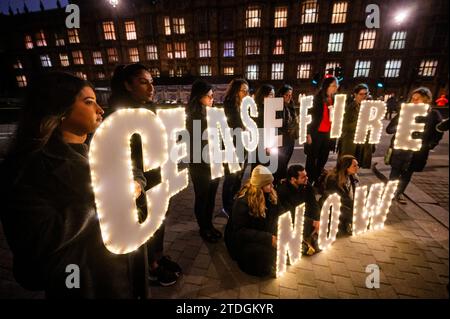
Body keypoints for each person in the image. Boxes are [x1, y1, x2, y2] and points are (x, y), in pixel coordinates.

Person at [0, 72, 144, 298]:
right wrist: (103, 202)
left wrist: (136, 184)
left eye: (97, 102)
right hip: (82, 281)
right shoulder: (27, 168)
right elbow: (37, 242)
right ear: (59, 110)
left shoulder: (103, 148)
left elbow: (135, 172)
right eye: (89, 102)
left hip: (127, 268)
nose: (100, 110)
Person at [109, 63, 181, 287]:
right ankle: (149, 268)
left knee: (159, 223)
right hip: (138, 182)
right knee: (145, 226)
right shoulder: (118, 116)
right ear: (127, 85)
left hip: (157, 175)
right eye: (143, 82)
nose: (151, 87)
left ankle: (156, 257)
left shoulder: (150, 110)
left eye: (152, 82)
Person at [387, 87, 443, 204]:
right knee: (395, 171)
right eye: (413, 99)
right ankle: (390, 192)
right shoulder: (405, 112)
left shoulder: (433, 115)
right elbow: (389, 129)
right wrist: (401, 127)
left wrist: (428, 145)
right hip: (400, 149)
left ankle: (399, 192)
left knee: (407, 173)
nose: (414, 101)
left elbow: (438, 133)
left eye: (417, 99)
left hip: (416, 151)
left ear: (427, 100)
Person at [224, 165, 280, 277]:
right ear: (260, 185)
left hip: (257, 232)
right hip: (240, 240)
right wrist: (268, 238)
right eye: (269, 184)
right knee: (265, 256)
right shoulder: (242, 202)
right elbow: (240, 232)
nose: (272, 186)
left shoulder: (268, 194)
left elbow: (276, 213)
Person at [186, 79, 222, 243]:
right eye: (209, 96)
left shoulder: (213, 114)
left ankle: (209, 225)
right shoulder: (192, 117)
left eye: (213, 96)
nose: (212, 99)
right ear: (199, 97)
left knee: (212, 197)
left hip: (214, 162)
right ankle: (203, 228)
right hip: (200, 164)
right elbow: (193, 144)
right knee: (203, 197)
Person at [276, 165, 321, 255]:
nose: (307, 178)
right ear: (293, 179)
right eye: (303, 177)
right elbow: (290, 213)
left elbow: (313, 203)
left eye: (306, 175)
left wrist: (317, 219)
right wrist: (311, 222)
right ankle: (302, 243)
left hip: (305, 217)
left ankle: (313, 238)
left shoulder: (306, 186)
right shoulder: (283, 191)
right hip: (292, 221)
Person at [222, 79, 249, 216]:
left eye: (247, 90)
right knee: (231, 176)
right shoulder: (229, 105)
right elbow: (235, 124)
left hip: (243, 144)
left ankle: (234, 199)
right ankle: (226, 206)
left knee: (239, 175)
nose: (246, 93)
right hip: (231, 145)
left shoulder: (245, 105)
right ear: (235, 91)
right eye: (243, 90)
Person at [305, 77, 339, 185]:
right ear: (327, 86)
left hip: (328, 134)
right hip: (316, 133)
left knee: (323, 158)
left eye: (336, 85)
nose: (335, 87)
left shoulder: (335, 100)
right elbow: (309, 117)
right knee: (312, 158)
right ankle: (309, 180)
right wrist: (308, 133)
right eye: (333, 85)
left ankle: (318, 178)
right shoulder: (317, 99)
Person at [321, 155, 359, 236]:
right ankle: (346, 223)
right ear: (346, 167)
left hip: (347, 204)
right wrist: (354, 204)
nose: (357, 167)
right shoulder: (333, 179)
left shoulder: (352, 177)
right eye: (354, 166)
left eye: (357, 165)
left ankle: (349, 223)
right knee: (356, 212)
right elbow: (338, 198)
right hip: (334, 206)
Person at [339, 83, 374, 168]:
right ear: (355, 95)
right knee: (347, 166)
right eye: (361, 94)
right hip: (350, 143)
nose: (364, 96)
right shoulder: (349, 108)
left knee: (358, 166)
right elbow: (343, 126)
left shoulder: (371, 108)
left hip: (364, 144)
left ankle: (354, 180)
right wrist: (359, 123)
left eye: (366, 94)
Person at [273, 84, 298, 184]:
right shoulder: (277, 106)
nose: (289, 97)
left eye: (290, 95)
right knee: (280, 163)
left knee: (285, 161)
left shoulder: (291, 107)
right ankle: (278, 182)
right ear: (281, 95)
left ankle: (281, 181)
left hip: (290, 138)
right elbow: (278, 124)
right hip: (281, 139)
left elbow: (294, 121)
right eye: (286, 95)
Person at [252, 84, 275, 169]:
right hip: (259, 143)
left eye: (273, 94)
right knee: (258, 168)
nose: (272, 97)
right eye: (270, 94)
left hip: (268, 142)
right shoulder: (257, 109)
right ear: (263, 95)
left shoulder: (271, 108)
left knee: (265, 168)